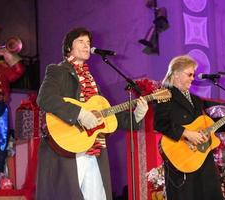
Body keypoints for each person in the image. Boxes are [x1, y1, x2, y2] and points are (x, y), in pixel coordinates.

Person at [36, 27, 148, 200]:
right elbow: (45, 99)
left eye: (88, 42)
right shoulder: (57, 70)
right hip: (68, 147)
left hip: (92, 148)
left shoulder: (91, 79)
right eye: (80, 41)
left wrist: (136, 116)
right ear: (68, 48)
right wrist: (80, 113)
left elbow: (107, 114)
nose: (86, 45)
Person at [153, 55, 225, 200]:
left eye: (193, 74)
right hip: (181, 158)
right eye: (189, 74)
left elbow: (209, 125)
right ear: (176, 74)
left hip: (202, 158)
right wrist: (186, 133)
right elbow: (160, 123)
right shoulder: (164, 95)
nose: (192, 78)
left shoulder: (196, 100)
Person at [0, 24, 25, 188]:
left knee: (1, 141)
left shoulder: (1, 66)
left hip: (1, 105)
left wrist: (7, 54)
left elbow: (18, 71)